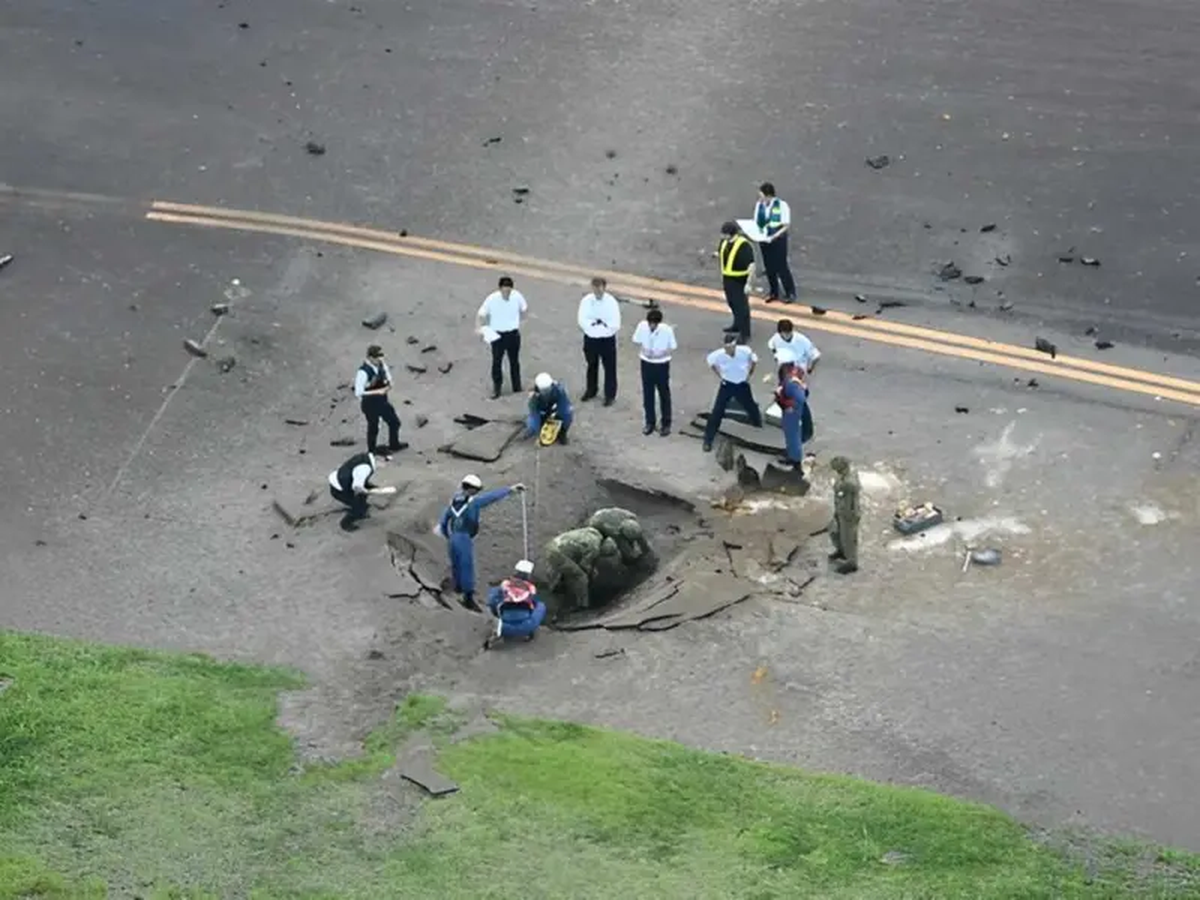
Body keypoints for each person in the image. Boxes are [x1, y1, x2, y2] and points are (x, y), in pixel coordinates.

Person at [438, 475, 525, 611]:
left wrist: (448, 536)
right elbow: (491, 497)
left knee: (456, 564)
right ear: (472, 489)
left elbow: (443, 523)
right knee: (467, 566)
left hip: (453, 537)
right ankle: (468, 598)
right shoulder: (473, 503)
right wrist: (510, 490)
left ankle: (457, 588)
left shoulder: (453, 502)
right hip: (464, 537)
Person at [701, 334, 762, 452]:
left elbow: (754, 360)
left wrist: (749, 374)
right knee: (717, 411)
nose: (730, 350)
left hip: (742, 384)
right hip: (727, 385)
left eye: (732, 347)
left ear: (735, 345)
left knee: (750, 405)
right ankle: (708, 440)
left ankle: (757, 424)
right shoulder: (717, 355)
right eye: (727, 348)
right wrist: (720, 375)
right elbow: (711, 363)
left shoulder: (745, 351)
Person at [477, 275, 528, 399]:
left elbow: (524, 310)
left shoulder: (517, 296)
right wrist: (481, 329)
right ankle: (497, 388)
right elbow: (481, 314)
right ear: (500, 289)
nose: (507, 293)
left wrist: (520, 324)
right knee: (497, 362)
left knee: (514, 361)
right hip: (498, 335)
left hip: (513, 334)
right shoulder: (492, 299)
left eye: (509, 290)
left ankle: (517, 386)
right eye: (505, 291)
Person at [354, 345, 408, 457]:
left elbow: (388, 378)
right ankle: (371, 451)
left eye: (380, 356)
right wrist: (377, 392)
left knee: (394, 422)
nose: (379, 359)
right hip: (370, 403)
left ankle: (394, 444)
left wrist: (388, 385)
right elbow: (358, 392)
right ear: (369, 357)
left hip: (382, 401)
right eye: (376, 357)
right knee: (373, 426)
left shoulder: (382, 365)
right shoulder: (363, 372)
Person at [631, 306, 676, 436]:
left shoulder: (667, 330)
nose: (652, 326)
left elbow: (673, 346)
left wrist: (659, 353)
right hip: (646, 363)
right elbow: (635, 339)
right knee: (648, 393)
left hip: (661, 364)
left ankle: (666, 423)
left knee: (664, 394)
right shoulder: (642, 326)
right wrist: (645, 349)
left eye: (654, 324)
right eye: (650, 323)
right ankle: (650, 422)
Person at [484, 559, 547, 649]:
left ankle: (501, 626)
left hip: (505, 617)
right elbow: (534, 601)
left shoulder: (505, 584)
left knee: (495, 596)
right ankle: (528, 631)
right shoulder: (531, 588)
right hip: (525, 622)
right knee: (540, 606)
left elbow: (492, 600)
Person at [577, 276, 621, 405]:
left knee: (610, 368)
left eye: (599, 287)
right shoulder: (586, 301)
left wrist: (600, 326)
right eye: (595, 287)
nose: (597, 290)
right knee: (591, 365)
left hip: (607, 339)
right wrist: (595, 324)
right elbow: (582, 319)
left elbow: (614, 323)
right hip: (591, 338)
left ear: (604, 287)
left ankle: (610, 395)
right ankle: (591, 390)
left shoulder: (611, 302)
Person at [754, 182, 797, 303]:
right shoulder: (760, 205)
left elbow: (785, 225)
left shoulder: (782, 205)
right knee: (769, 266)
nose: (759, 198)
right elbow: (757, 221)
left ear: (768, 195)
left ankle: (790, 292)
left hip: (778, 239)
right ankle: (774, 292)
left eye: (761, 195)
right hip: (764, 238)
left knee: (781, 266)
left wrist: (774, 236)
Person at [327, 450, 385, 532]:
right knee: (358, 506)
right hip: (340, 490)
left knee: (362, 498)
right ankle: (346, 523)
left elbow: (359, 479)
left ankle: (360, 510)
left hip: (340, 482)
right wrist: (371, 491)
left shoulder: (366, 458)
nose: (386, 463)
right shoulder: (365, 468)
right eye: (386, 460)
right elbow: (357, 487)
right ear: (379, 458)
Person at [718, 221, 755, 342]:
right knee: (732, 303)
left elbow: (751, 266)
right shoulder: (724, 242)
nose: (721, 236)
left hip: (740, 279)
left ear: (730, 234)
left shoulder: (744, 246)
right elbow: (721, 252)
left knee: (741, 307)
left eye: (724, 234)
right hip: (727, 278)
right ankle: (736, 325)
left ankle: (745, 333)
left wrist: (749, 283)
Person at [828, 456, 860, 575]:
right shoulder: (842, 476)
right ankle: (841, 550)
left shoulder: (849, 481)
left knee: (849, 538)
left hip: (849, 513)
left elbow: (854, 487)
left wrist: (842, 485)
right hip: (840, 508)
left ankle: (851, 563)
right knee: (834, 531)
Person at [774, 361, 809, 469]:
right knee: (792, 433)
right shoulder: (796, 382)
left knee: (792, 435)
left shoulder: (791, 384)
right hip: (794, 411)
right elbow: (805, 393)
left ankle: (794, 459)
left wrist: (788, 404)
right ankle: (792, 454)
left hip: (791, 413)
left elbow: (800, 398)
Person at [526, 372, 574, 445]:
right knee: (531, 426)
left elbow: (564, 406)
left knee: (568, 413)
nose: (546, 392)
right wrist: (538, 434)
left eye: (547, 389)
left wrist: (560, 417)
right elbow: (534, 414)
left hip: (553, 408)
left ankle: (562, 433)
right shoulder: (533, 397)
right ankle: (540, 426)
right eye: (543, 390)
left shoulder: (559, 389)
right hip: (541, 411)